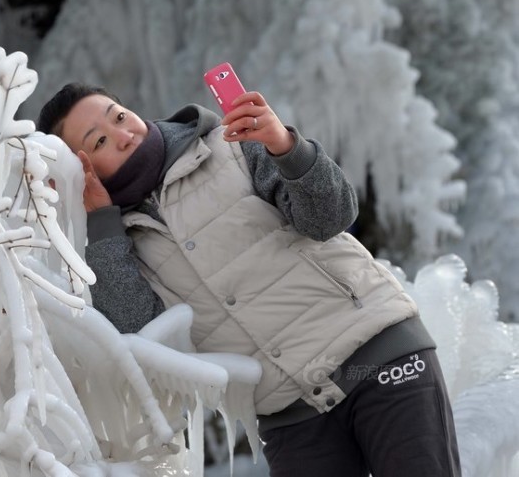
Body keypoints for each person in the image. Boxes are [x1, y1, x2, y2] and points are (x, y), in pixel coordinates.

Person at [36, 82, 460, 477]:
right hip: (290, 416)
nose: (123, 134)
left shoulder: (230, 148)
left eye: (119, 116)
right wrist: (103, 224)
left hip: (377, 358)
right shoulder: (117, 239)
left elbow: (331, 217)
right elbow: (146, 338)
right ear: (81, 168)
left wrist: (286, 148)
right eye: (100, 141)